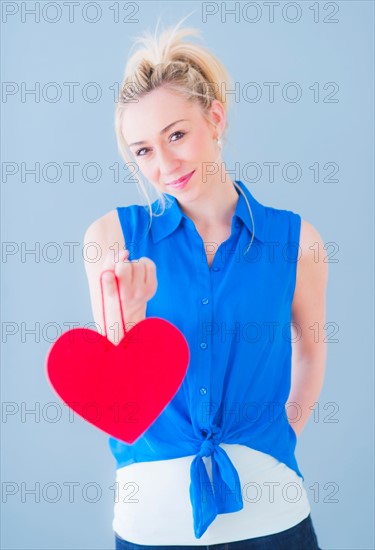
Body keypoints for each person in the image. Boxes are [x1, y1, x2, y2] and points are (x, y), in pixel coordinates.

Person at [83, 16, 327, 550]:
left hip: (272, 515)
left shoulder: (295, 240)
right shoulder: (112, 238)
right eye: (143, 150)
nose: (165, 164)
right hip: (152, 524)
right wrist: (136, 319)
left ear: (214, 118)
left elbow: (310, 351)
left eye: (177, 134)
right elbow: (119, 399)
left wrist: (276, 441)